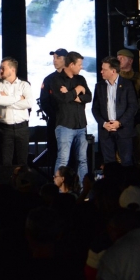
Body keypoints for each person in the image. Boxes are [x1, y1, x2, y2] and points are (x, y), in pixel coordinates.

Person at [50, 51, 92, 183]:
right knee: (63, 159)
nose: (81, 67)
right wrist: (78, 90)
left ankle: (83, 188)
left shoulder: (81, 79)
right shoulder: (56, 79)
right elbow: (62, 99)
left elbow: (89, 97)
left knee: (82, 159)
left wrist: (71, 94)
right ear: (72, 64)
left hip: (81, 125)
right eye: (79, 65)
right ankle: (59, 188)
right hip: (65, 125)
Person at [91, 56, 138, 166]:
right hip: (106, 131)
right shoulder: (99, 86)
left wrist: (119, 122)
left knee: (126, 162)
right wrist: (104, 123)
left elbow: (133, 107)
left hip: (124, 130)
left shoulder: (127, 84)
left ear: (113, 71)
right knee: (109, 164)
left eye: (104, 69)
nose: (101, 71)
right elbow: (95, 109)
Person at [0, 57, 35, 166]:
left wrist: (7, 100)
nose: (0, 70)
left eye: (3, 68)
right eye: (0, 68)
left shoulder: (24, 85)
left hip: (22, 128)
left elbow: (29, 103)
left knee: (23, 162)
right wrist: (19, 98)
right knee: (5, 163)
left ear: (12, 70)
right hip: (5, 129)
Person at [117, 49, 140, 167]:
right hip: (120, 119)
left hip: (136, 118)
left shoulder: (139, 78)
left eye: (122, 58)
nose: (119, 60)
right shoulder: (115, 77)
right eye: (118, 58)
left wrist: (132, 106)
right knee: (121, 152)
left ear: (130, 61)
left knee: (139, 149)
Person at [39, 48, 67, 171]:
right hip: (54, 123)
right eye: (54, 58)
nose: (55, 60)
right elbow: (44, 102)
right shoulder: (48, 79)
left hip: (72, 123)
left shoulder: (74, 78)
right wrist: (56, 116)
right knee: (54, 153)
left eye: (58, 58)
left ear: (66, 60)